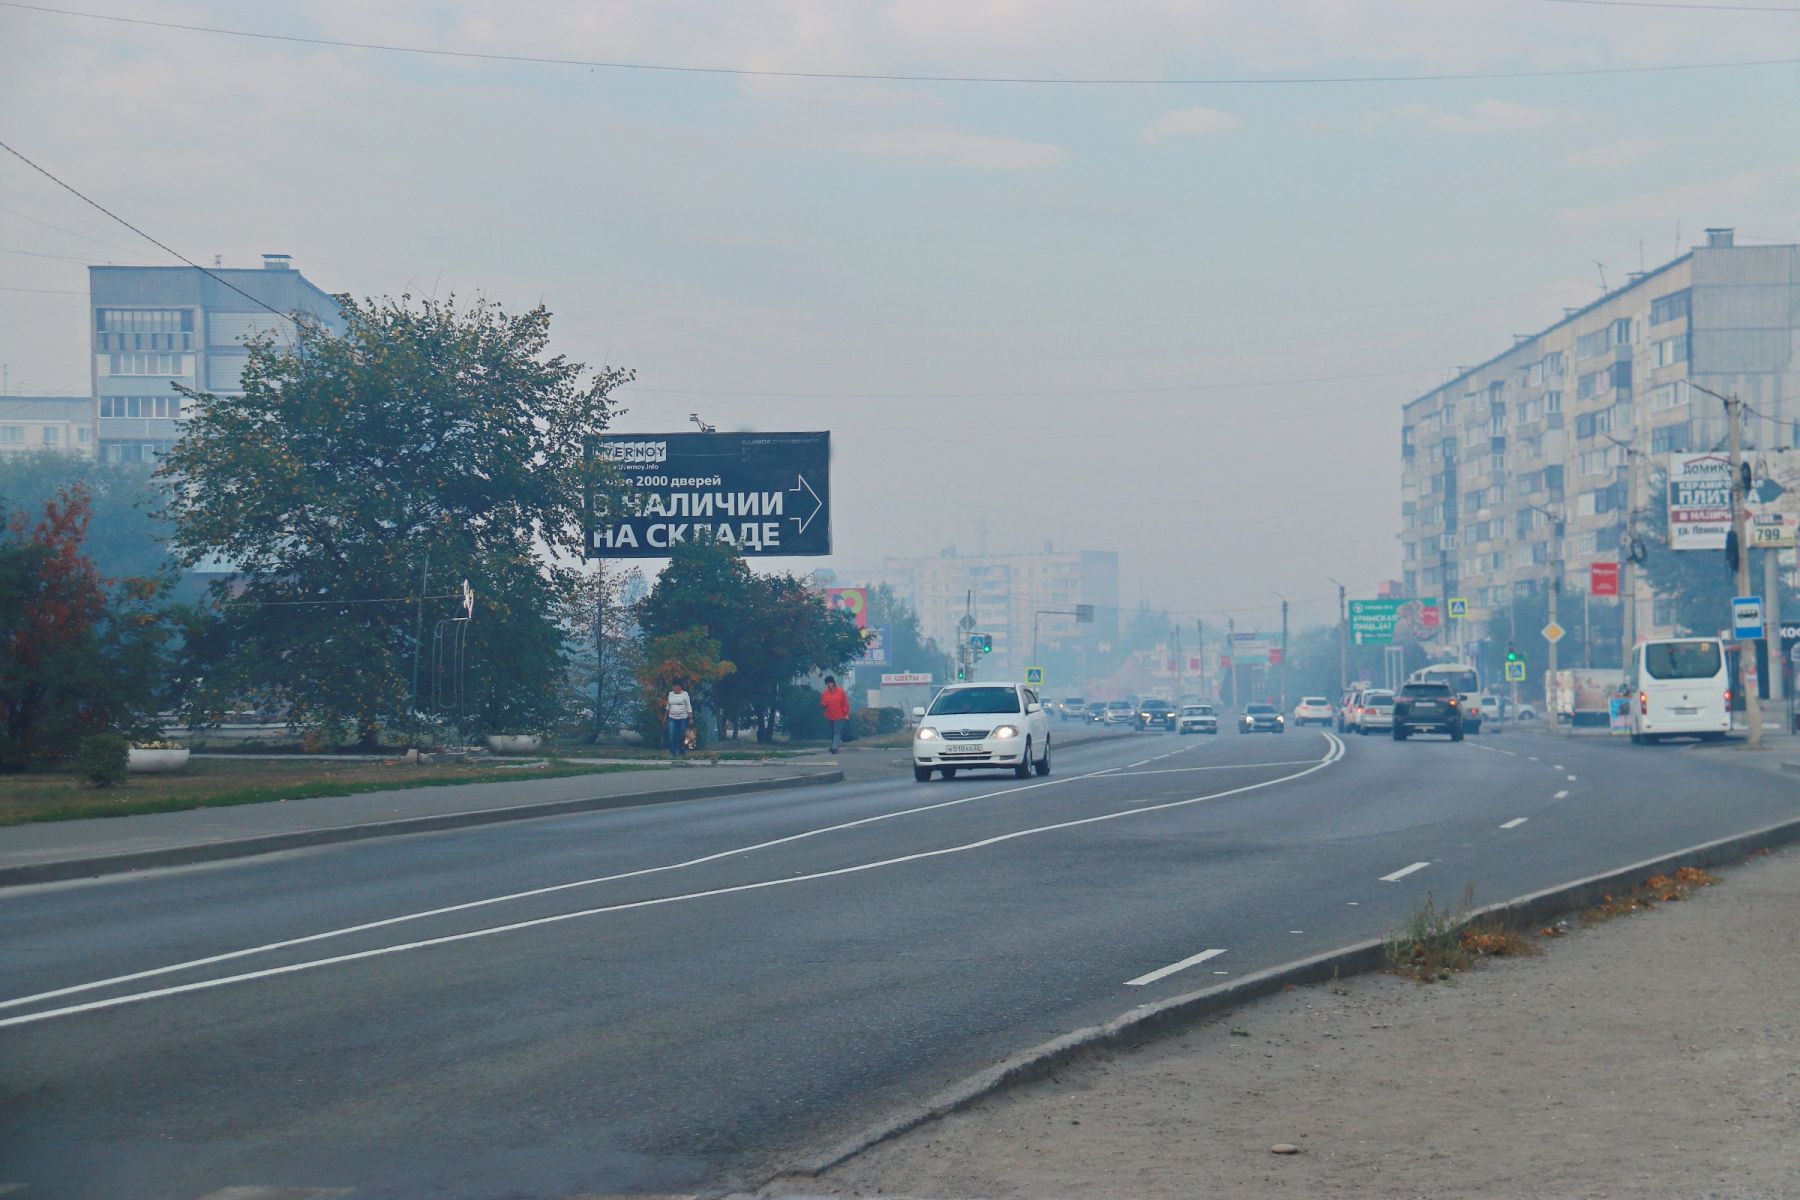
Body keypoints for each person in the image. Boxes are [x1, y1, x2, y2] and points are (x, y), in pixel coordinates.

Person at [820, 675, 850, 754]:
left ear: (833, 683)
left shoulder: (841, 691)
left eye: (830, 683)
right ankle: (835, 748)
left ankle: (833, 747)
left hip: (839, 715)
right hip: (829, 715)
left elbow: (845, 704)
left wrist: (846, 714)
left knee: (837, 731)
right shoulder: (825, 693)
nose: (829, 685)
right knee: (833, 732)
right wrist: (823, 704)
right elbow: (822, 703)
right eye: (827, 683)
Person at [666, 679, 692, 760]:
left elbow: (688, 706)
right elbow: (668, 707)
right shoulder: (670, 694)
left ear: (680, 687)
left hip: (683, 718)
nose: (675, 688)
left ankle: (682, 751)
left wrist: (690, 718)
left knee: (681, 735)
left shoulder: (685, 694)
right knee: (671, 734)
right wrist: (665, 718)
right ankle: (673, 753)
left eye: (677, 686)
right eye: (674, 686)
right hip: (672, 718)